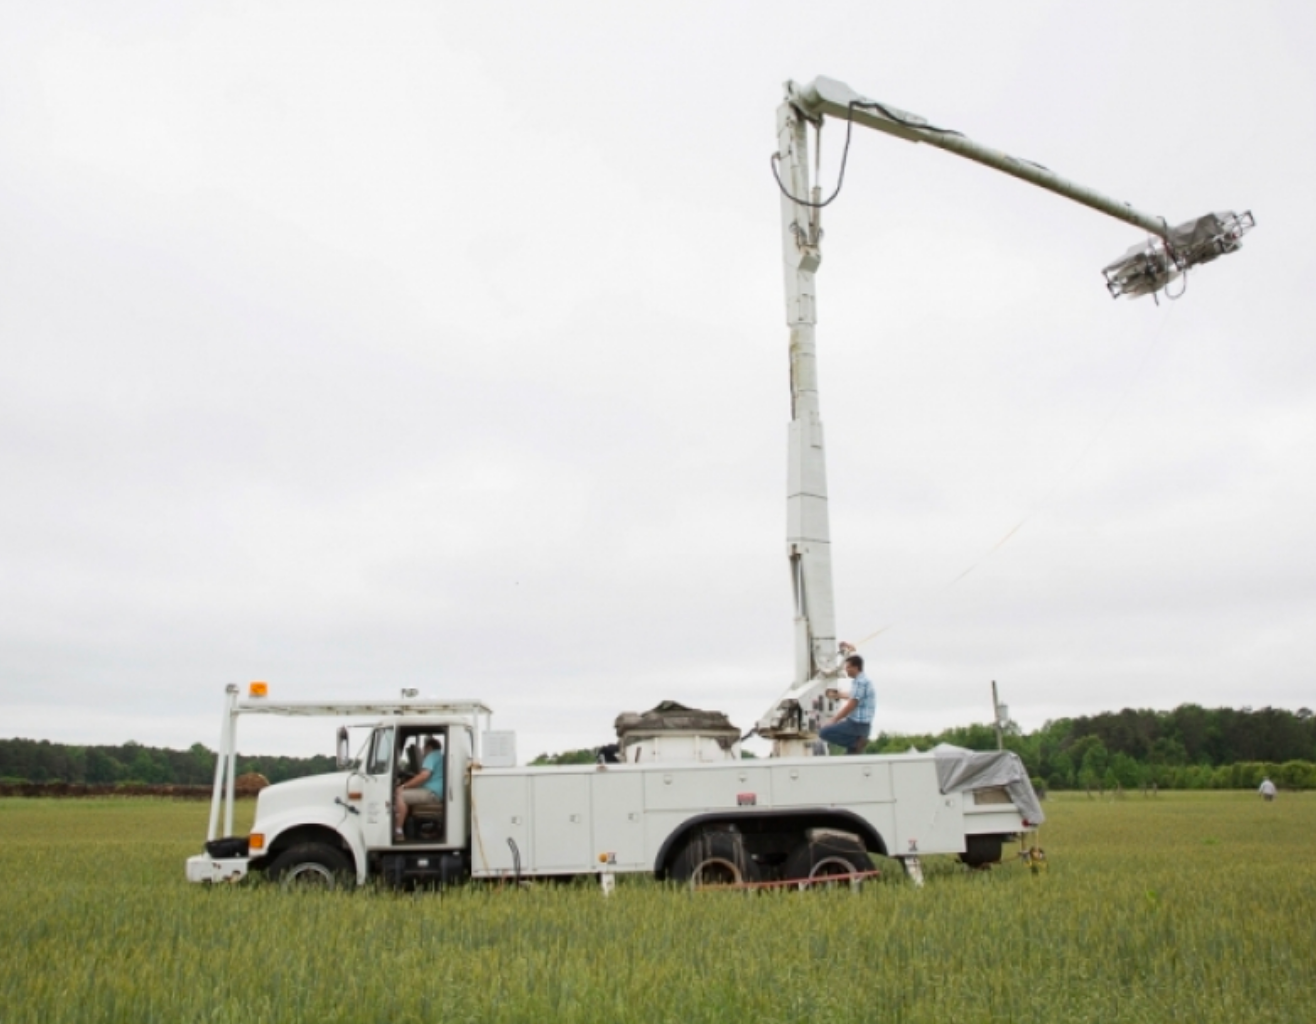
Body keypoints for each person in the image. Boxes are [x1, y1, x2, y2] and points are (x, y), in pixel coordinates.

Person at [819, 648, 875, 755]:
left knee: (824, 732)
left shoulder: (860, 682)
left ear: (856, 667)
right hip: (862, 728)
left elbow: (851, 705)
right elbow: (853, 695)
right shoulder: (862, 681)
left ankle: (855, 743)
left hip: (857, 725)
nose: (846, 670)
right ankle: (855, 744)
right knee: (850, 760)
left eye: (848, 667)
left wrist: (834, 720)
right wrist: (838, 695)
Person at [395, 736, 444, 839]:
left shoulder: (432, 756)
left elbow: (424, 775)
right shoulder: (440, 756)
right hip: (437, 792)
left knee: (399, 795)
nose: (422, 751)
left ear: (429, 747)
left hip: (432, 792)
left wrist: (403, 786)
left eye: (423, 748)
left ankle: (398, 831)